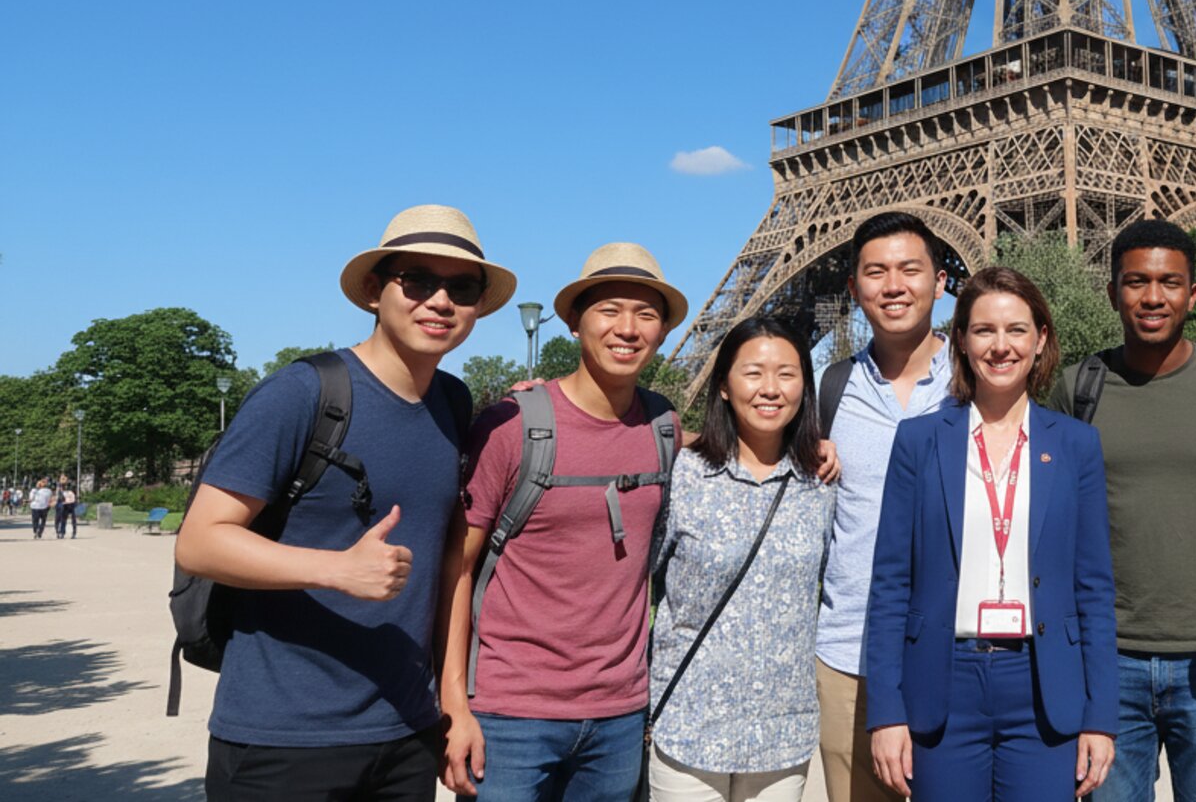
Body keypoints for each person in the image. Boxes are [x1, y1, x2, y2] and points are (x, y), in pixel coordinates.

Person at [176, 204, 510, 802]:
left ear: (478, 306)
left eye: (461, 288)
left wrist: (454, 703)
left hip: (407, 729)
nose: (440, 301)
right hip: (284, 737)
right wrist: (336, 570)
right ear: (376, 290)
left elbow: (451, 563)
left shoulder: (454, 404)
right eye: (417, 280)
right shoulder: (303, 392)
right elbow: (200, 540)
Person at [439, 243, 689, 800]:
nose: (628, 329)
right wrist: (454, 702)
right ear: (574, 323)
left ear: (665, 331)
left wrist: (805, 444)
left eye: (647, 314)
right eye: (609, 310)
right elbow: (458, 569)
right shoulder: (512, 428)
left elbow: (729, 448)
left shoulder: (663, 427)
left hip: (620, 714)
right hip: (511, 714)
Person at [866, 265, 1118, 801]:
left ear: (1041, 338)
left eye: (1016, 330)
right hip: (943, 681)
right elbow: (890, 583)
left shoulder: (1076, 445)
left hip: (1042, 683)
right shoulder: (919, 441)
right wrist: (885, 712)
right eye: (983, 330)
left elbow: (1093, 588)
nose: (1000, 346)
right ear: (960, 339)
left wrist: (1100, 716)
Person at [1046, 219, 1196, 802]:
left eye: (1170, 283)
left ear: (1193, 295)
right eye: (1136, 281)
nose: (1152, 296)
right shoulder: (1078, 389)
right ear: (1113, 290)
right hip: (1108, 660)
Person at [646, 316, 837, 801]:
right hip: (688, 724)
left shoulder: (821, 483)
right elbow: (632, 581)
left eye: (787, 374)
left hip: (782, 731)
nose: (770, 388)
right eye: (753, 372)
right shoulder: (682, 475)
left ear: (805, 387)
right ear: (725, 387)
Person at [814, 211, 953, 802]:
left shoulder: (982, 379)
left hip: (961, 655)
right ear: (854, 289)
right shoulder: (827, 388)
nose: (893, 285)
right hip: (850, 657)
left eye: (909, 270)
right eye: (875, 272)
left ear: (941, 282)